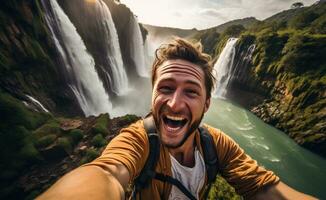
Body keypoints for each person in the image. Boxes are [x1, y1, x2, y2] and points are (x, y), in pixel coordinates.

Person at [37, 38, 316, 200]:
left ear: (207, 103)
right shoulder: (137, 140)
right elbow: (107, 172)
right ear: (153, 94)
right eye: (166, 88)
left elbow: (265, 187)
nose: (174, 103)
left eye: (191, 92)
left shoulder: (216, 145)